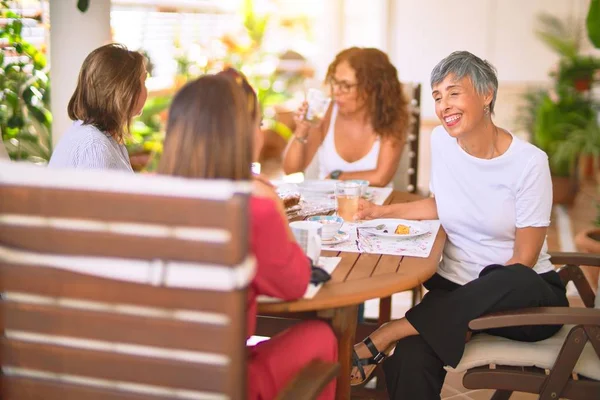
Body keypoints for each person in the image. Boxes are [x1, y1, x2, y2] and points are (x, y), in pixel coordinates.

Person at [349, 51, 568, 399]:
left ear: (486, 94)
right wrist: (380, 212)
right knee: (410, 359)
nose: (443, 105)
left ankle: (390, 330)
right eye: (437, 96)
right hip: (454, 295)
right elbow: (444, 204)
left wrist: (469, 312)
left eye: (454, 92)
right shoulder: (442, 141)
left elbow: (524, 259)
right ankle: (409, 332)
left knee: (513, 275)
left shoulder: (529, 163)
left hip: (524, 301)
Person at [157, 73, 337, 400]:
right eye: (258, 123)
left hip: (147, 378)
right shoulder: (254, 208)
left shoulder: (147, 202)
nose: (262, 133)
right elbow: (295, 283)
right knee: (320, 336)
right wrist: (267, 197)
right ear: (241, 135)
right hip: (223, 385)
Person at [282, 47, 409, 187]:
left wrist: (337, 177)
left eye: (346, 86)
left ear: (372, 87)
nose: (336, 91)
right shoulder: (326, 113)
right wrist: (301, 130)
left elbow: (380, 178)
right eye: (335, 82)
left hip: (376, 206)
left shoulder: (393, 117)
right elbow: (291, 170)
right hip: (328, 204)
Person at [49, 43, 147, 171]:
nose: (146, 89)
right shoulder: (94, 146)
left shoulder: (99, 138)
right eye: (143, 81)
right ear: (125, 90)